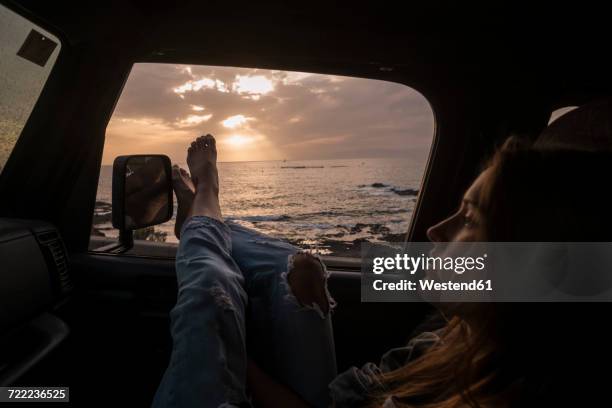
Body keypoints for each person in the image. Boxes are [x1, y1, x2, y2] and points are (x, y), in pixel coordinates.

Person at [154, 133, 612, 407]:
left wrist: (236, 356)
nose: (434, 230)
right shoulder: (457, 335)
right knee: (305, 263)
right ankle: (204, 219)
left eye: (470, 218)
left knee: (206, 290)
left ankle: (203, 213)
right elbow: (390, 273)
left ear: (532, 261)